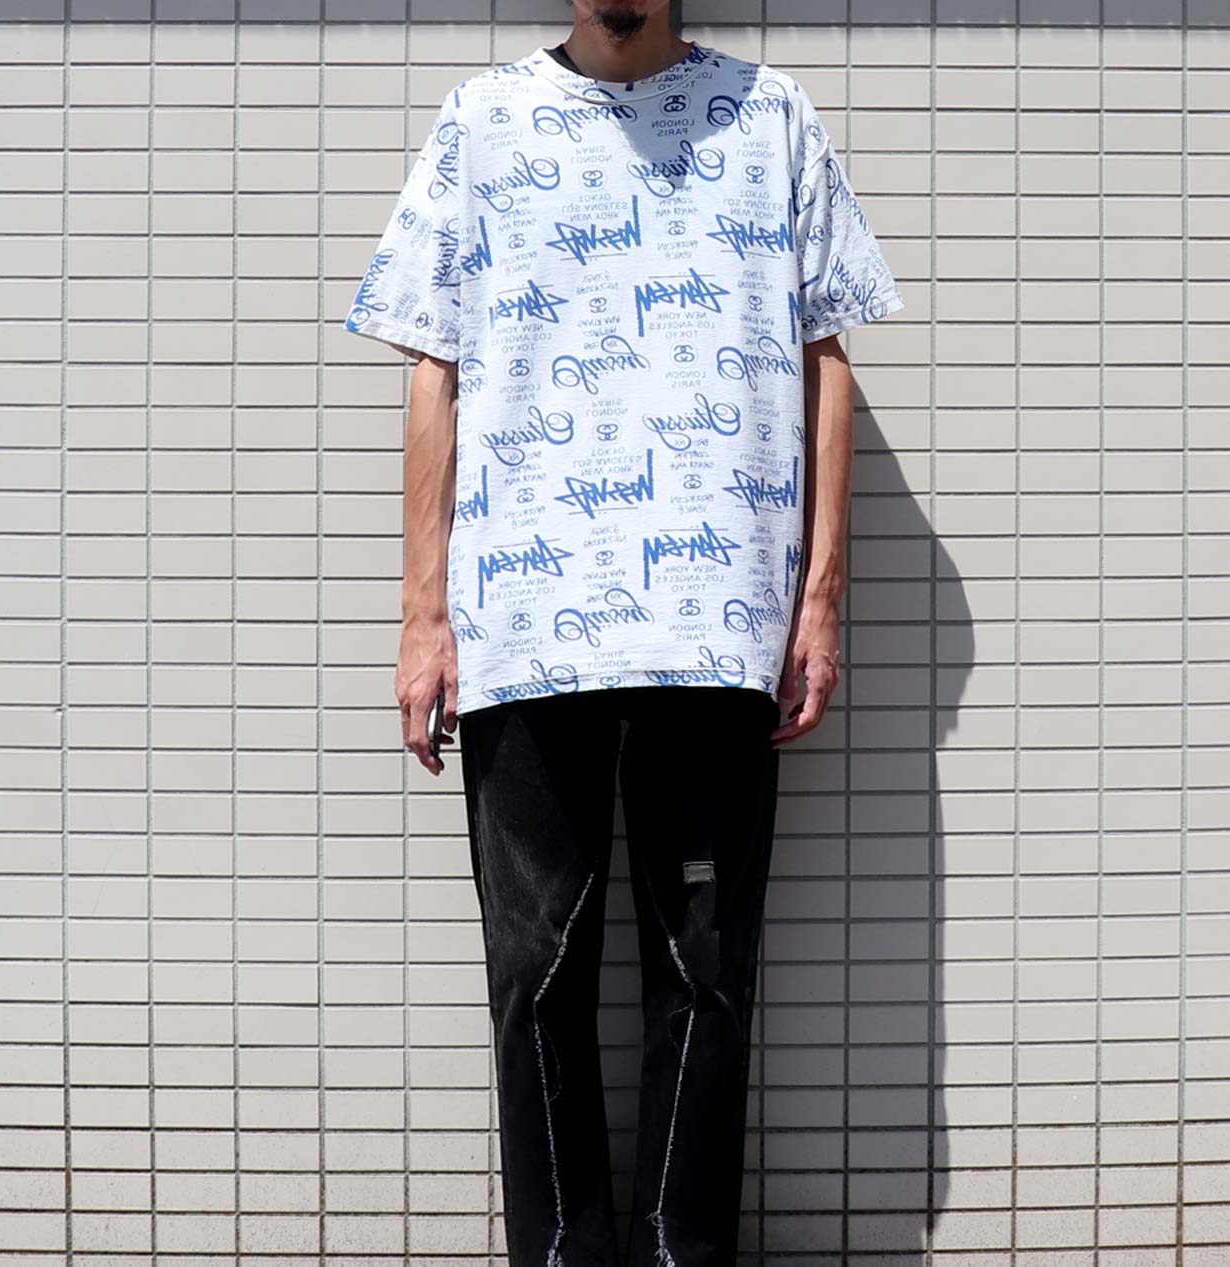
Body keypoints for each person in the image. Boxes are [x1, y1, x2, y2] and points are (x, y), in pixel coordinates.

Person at [344, 2, 904, 1262]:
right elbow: (433, 368)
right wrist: (424, 617)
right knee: (535, 973)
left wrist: (818, 598)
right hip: (521, 624)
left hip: (718, 624)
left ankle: (675, 1251)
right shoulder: (481, 122)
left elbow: (826, 356)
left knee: (703, 969)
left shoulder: (770, 118)